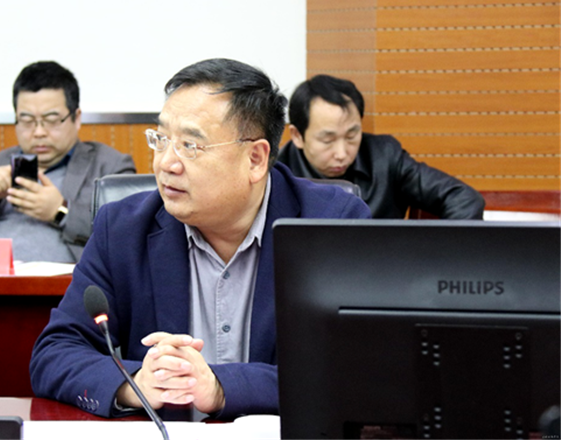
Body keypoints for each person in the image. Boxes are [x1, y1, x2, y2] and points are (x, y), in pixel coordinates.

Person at [29, 58, 371, 421]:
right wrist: (137, 383)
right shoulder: (123, 229)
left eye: (190, 145)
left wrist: (224, 387)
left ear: (255, 159)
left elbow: (360, 369)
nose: (166, 163)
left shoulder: (333, 226)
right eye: (161, 140)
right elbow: (55, 353)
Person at [0, 61, 136, 263]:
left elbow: (127, 231)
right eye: (27, 120)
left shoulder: (110, 166)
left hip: (66, 282)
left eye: (52, 120)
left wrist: (60, 211)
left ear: (76, 118)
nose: (39, 132)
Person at [277, 74, 486, 219]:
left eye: (351, 136)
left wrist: (437, 258)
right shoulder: (276, 173)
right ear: (297, 136)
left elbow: (464, 200)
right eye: (328, 140)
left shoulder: (384, 157)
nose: (341, 153)